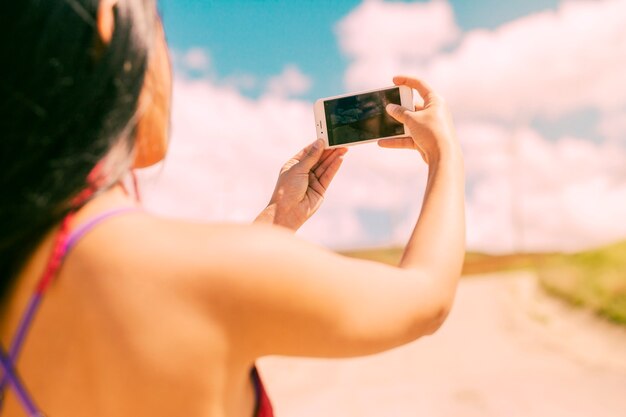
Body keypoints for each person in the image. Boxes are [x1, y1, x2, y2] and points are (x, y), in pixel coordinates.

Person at [0, 1, 465, 416]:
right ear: (109, 21)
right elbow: (425, 298)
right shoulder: (199, 274)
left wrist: (276, 222)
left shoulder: (19, 267)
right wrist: (444, 153)